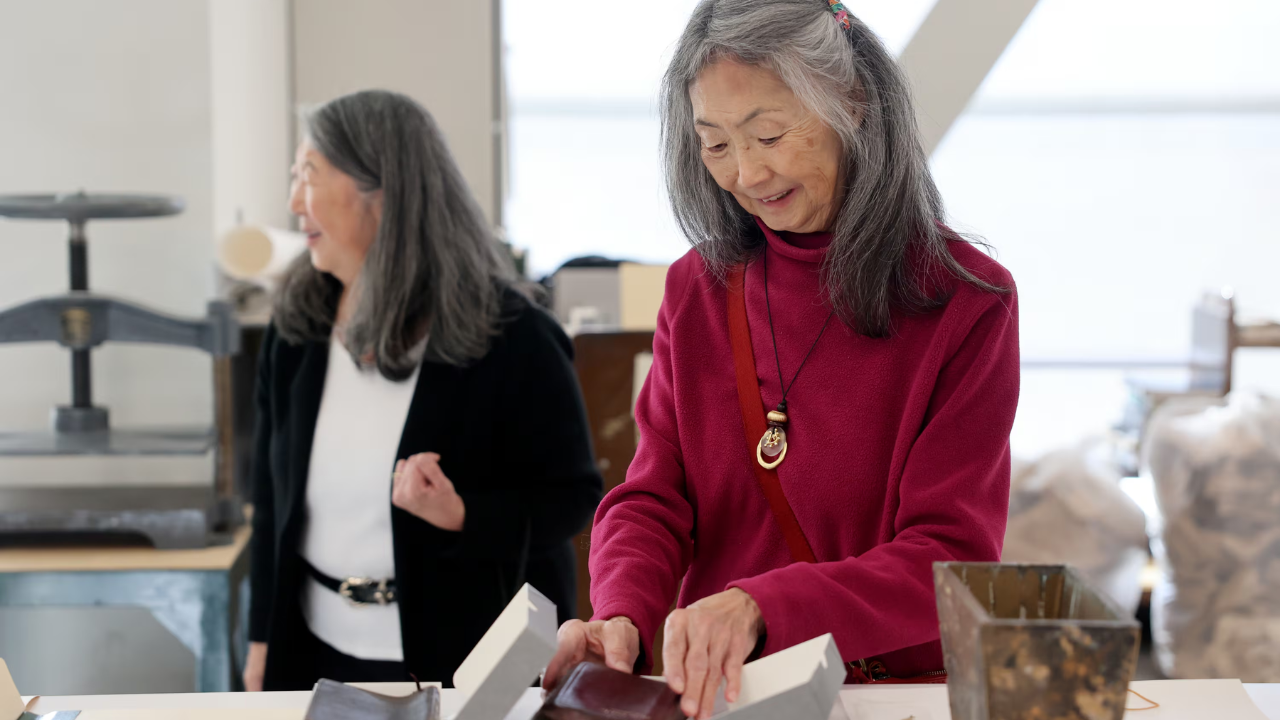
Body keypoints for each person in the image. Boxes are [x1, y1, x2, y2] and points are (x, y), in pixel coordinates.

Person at [542, 2, 1020, 718]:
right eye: (715, 144)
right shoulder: (696, 290)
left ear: (852, 105)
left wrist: (759, 604)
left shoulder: (964, 300)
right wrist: (623, 616)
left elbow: (950, 559)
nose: (746, 173)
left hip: (883, 696)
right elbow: (653, 497)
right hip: (727, 693)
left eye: (768, 133)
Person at [244, 89, 602, 691]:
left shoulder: (512, 336)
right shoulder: (297, 329)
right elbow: (270, 497)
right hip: (316, 654)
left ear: (380, 194)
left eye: (309, 174)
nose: (293, 201)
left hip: (469, 662)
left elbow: (574, 496)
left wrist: (464, 515)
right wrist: (260, 638)